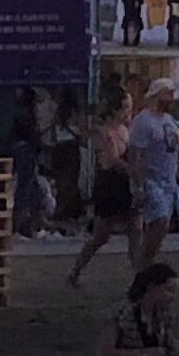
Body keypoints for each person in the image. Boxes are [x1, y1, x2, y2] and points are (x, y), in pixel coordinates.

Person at [66, 100, 135, 288]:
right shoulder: (102, 132)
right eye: (125, 108)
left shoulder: (125, 130)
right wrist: (133, 169)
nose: (128, 112)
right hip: (110, 182)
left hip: (124, 180)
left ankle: (139, 273)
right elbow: (111, 159)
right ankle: (76, 271)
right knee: (101, 235)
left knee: (135, 229)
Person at [125, 85, 179, 270]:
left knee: (161, 227)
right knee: (159, 222)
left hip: (168, 180)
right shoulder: (143, 121)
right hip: (151, 179)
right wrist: (139, 185)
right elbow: (135, 155)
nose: (171, 99)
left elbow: (177, 150)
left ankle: (146, 263)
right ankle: (142, 264)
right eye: (168, 94)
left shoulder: (169, 121)